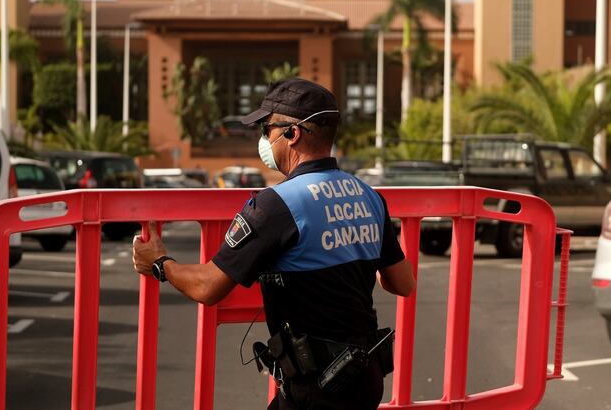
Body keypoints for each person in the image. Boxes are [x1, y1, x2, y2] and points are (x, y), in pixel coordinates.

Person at [133, 77, 416, 410]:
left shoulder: (277, 205)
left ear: (292, 134)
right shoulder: (369, 196)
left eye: (267, 129)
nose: (264, 139)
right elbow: (402, 283)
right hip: (365, 378)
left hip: (317, 390)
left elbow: (208, 286)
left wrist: (159, 262)